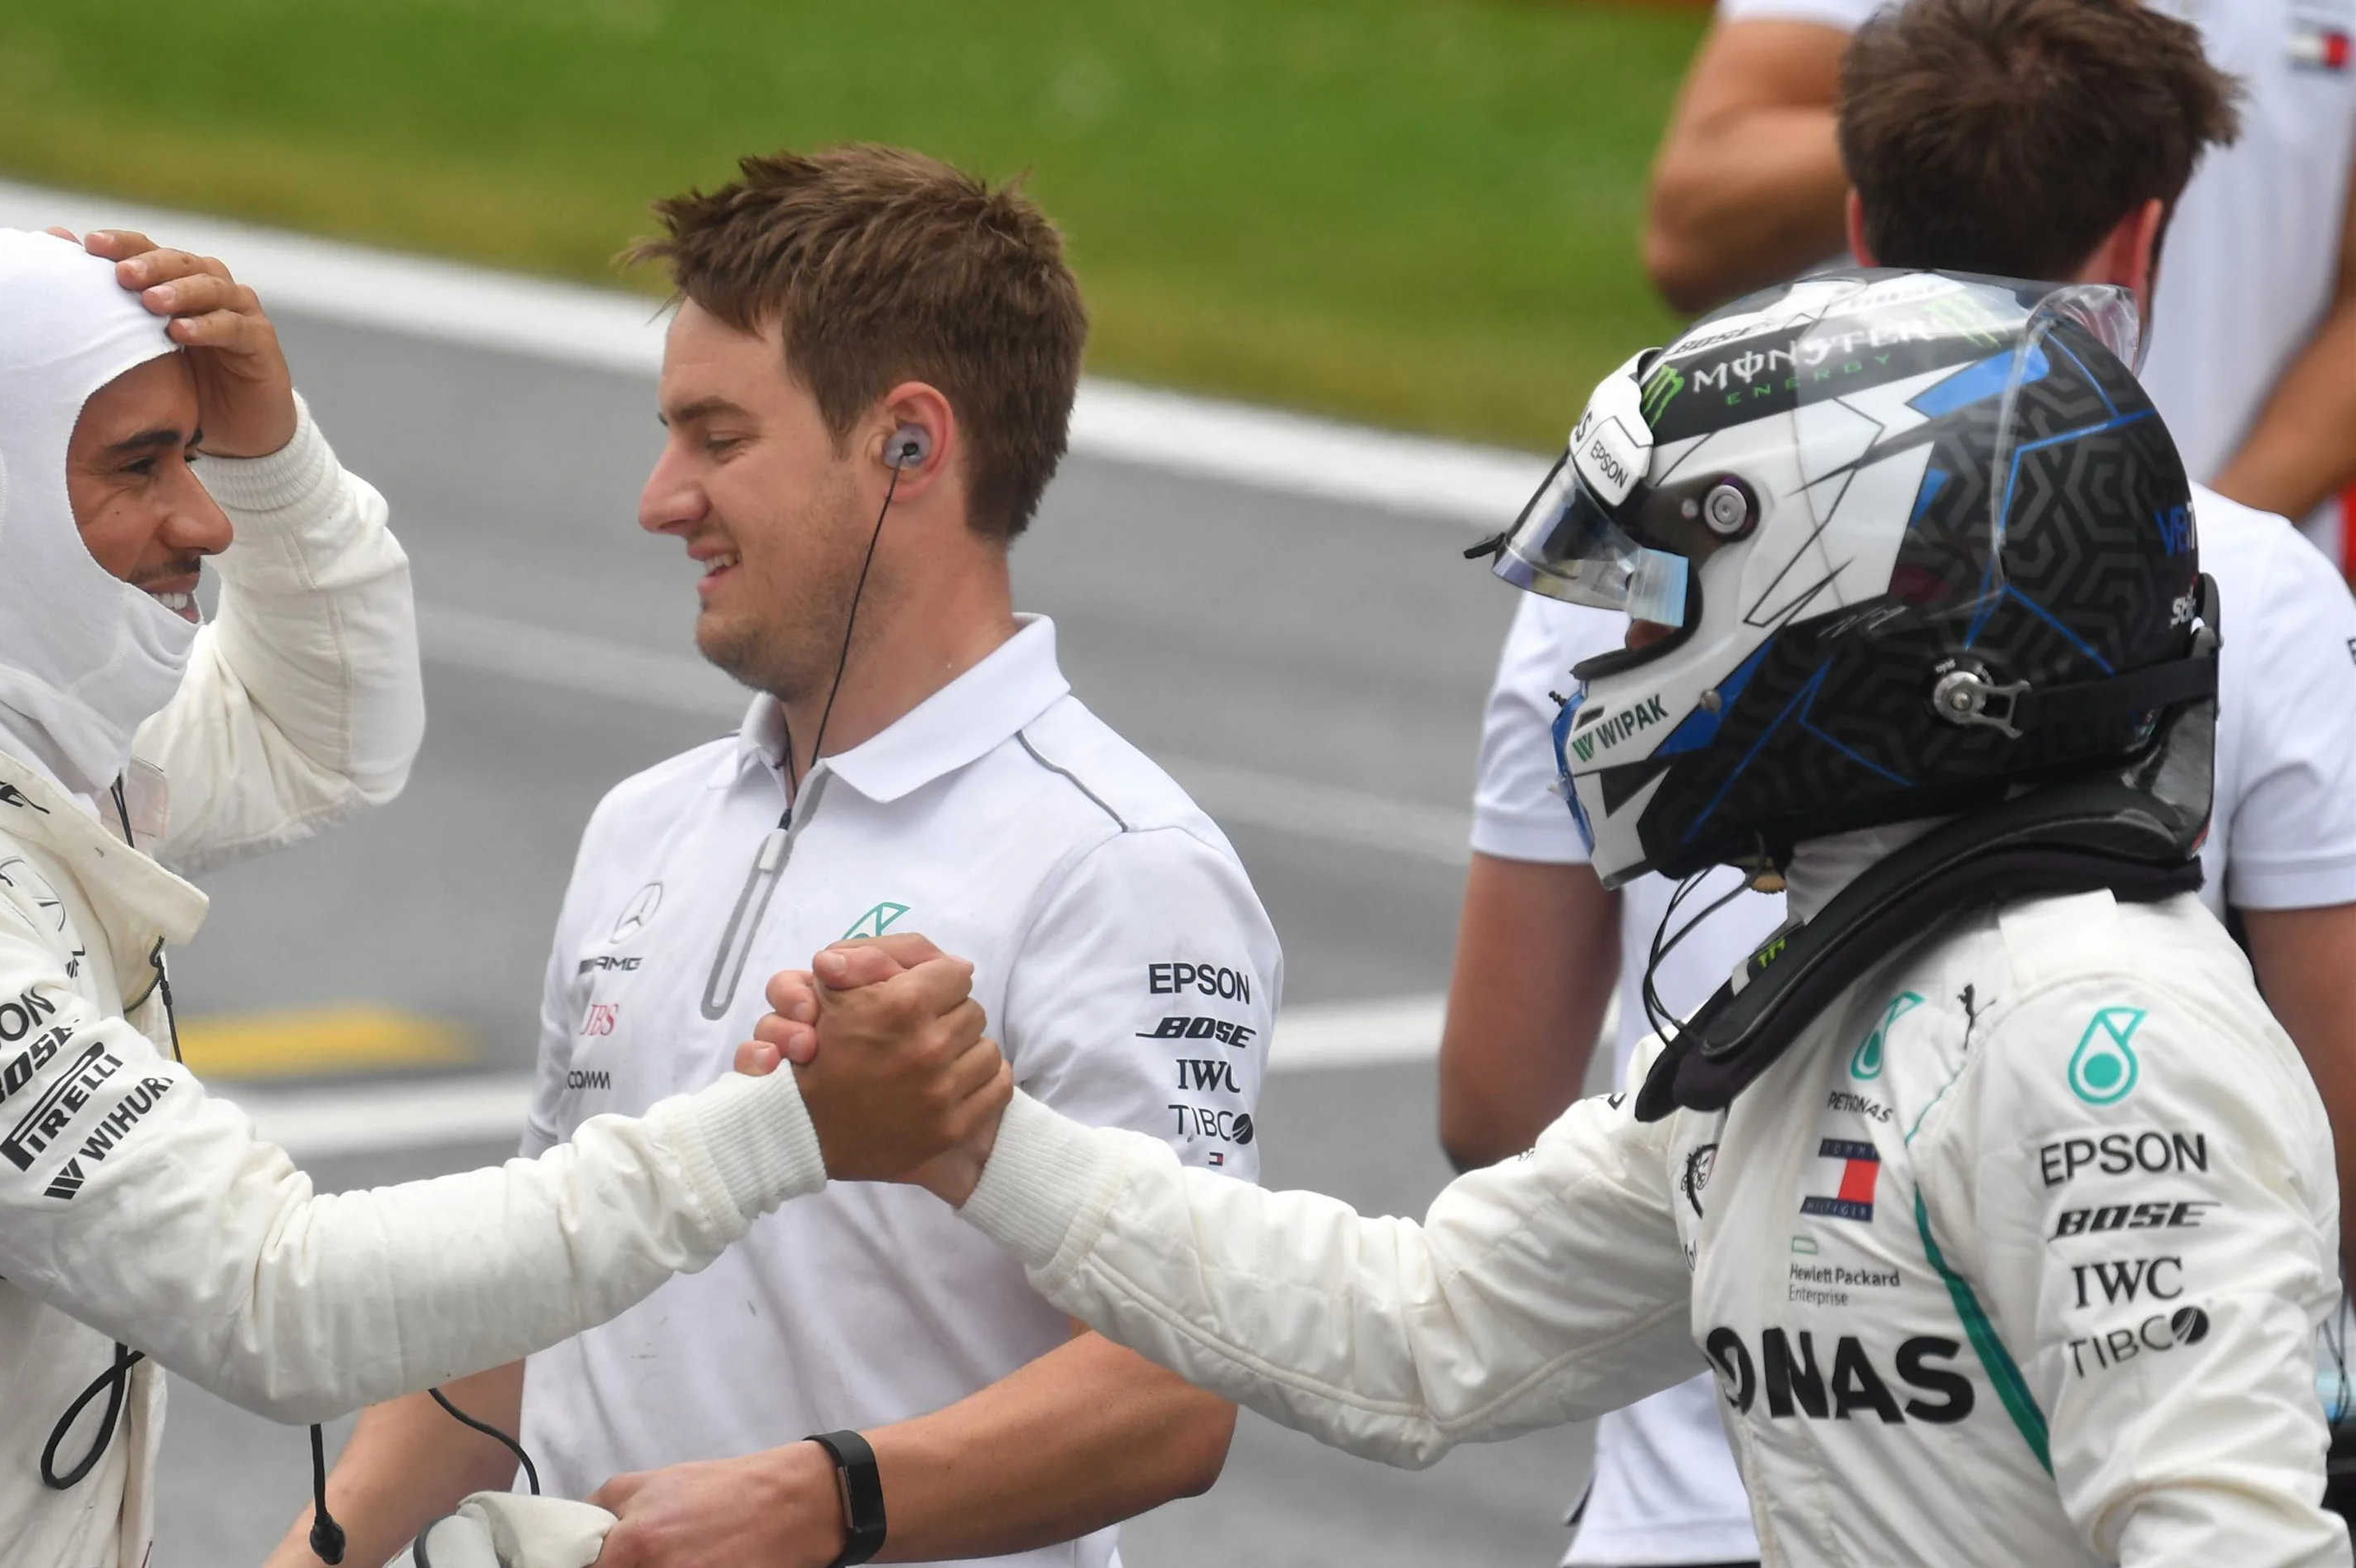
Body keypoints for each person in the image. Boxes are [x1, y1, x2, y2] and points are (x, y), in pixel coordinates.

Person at [781, 270, 2353, 1565]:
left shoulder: (2099, 1038)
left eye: (1668, 592)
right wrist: (974, 1136)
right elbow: (1407, 1330)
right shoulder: (1815, 1026)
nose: (1605, 661)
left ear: (1872, 604)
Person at [0, 226, 1005, 1568]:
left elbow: (318, 734)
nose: (203, 519)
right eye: (141, 465)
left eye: (201, 458)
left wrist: (280, 457)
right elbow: (282, 1297)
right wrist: (782, 1131)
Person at [273, 147, 1277, 1568]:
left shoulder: (1119, 865)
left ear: (907, 446)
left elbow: (1172, 1389)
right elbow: (521, 1302)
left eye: (717, 438)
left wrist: (820, 1500)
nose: (659, 496)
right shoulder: (647, 822)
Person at [1444, 4, 2356, 1560]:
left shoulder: (1624, 556)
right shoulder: (2260, 594)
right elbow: (2330, 1148)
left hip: (1683, 1497)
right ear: (2143, 242)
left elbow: (1495, 1097)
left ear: (1854, 218)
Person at [1642, 0, 2356, 570]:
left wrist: (2185, 551)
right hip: (1846, 577)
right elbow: (1689, 234)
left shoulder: (2263, 600)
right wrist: (1990, 89)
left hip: (2220, 612)